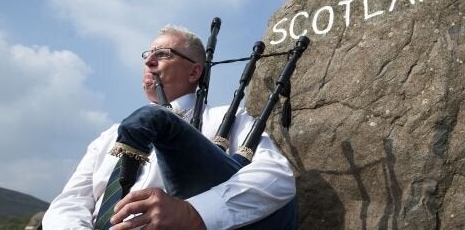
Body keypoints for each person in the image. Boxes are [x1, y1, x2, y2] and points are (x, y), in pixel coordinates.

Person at [43, 25, 297, 229]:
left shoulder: (224, 118)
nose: (149, 61)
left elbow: (277, 178)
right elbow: (71, 200)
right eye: (147, 55)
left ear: (194, 72)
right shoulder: (110, 136)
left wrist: (194, 212)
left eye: (163, 54)